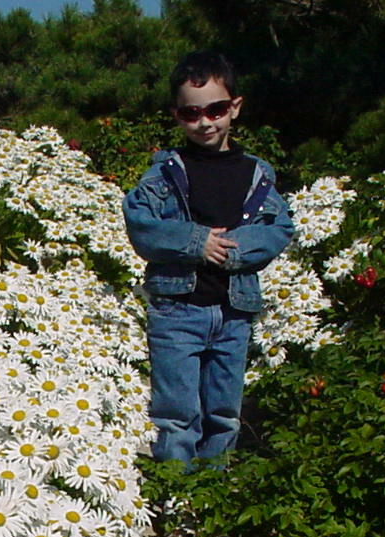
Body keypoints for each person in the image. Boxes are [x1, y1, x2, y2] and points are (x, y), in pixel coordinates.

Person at [122, 51, 295, 465]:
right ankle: (176, 490)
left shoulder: (256, 175)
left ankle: (214, 489)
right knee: (176, 414)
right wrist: (195, 241)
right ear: (177, 115)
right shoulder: (164, 174)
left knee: (224, 413)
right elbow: (141, 224)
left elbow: (279, 228)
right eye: (191, 113)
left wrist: (234, 249)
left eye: (215, 110)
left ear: (235, 107)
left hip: (234, 312)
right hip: (177, 311)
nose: (205, 122)